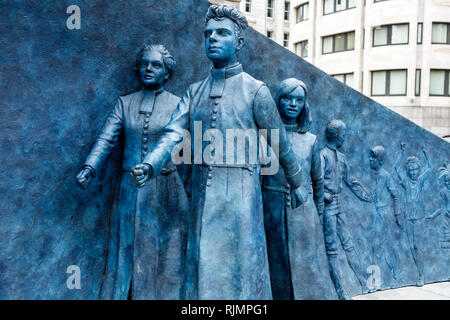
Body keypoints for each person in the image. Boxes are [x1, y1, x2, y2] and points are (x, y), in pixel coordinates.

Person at [130, 4, 305, 300]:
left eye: (222, 33)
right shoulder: (194, 91)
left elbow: (279, 142)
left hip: (240, 194)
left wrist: (297, 182)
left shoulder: (255, 90)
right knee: (202, 269)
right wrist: (150, 164)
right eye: (208, 33)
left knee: (240, 269)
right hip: (202, 194)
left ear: (238, 42)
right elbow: (173, 133)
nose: (212, 38)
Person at [76, 44, 189, 299]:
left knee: (161, 254)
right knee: (126, 248)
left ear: (167, 73)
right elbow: (107, 139)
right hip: (129, 188)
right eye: (144, 63)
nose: (148, 69)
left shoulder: (178, 104)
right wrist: (90, 166)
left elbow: (176, 141)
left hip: (165, 189)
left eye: (156, 65)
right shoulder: (125, 103)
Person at [263, 78, 336, 299]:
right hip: (271, 208)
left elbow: (318, 179)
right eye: (287, 98)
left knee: (306, 264)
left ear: (305, 105)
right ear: (278, 101)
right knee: (276, 261)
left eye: (299, 100)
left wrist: (320, 212)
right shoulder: (264, 137)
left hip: (303, 212)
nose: (293, 104)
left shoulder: (311, 140)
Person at [320, 119, 373, 300]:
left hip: (339, 205)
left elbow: (351, 181)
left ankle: (362, 281)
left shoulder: (341, 157)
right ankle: (340, 291)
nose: (345, 137)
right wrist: (323, 195)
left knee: (348, 244)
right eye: (343, 134)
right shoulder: (322, 155)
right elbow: (314, 181)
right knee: (332, 249)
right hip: (327, 207)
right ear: (336, 135)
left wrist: (366, 196)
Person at [394, 143, 431, 286]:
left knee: (418, 246)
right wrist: (401, 152)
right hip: (408, 218)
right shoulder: (406, 182)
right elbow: (396, 168)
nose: (413, 172)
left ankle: (422, 275)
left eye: (415, 169)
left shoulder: (420, 180)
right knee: (410, 247)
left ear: (418, 169)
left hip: (419, 218)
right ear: (408, 171)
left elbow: (430, 168)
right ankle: (417, 272)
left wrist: (425, 152)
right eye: (411, 170)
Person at [369, 145, 401, 289]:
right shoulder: (372, 175)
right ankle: (377, 280)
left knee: (388, 248)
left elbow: (396, 195)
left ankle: (396, 275)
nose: (370, 160)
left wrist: (397, 214)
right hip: (376, 214)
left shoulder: (386, 175)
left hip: (385, 214)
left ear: (380, 160)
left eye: (374, 158)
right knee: (376, 248)